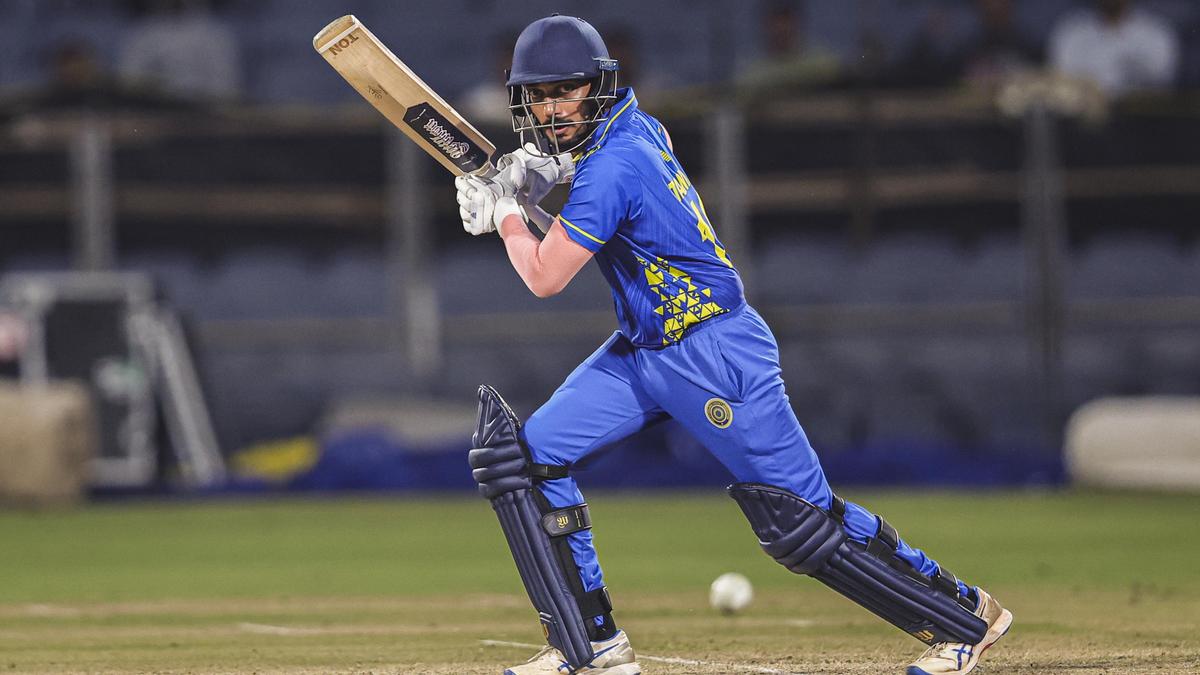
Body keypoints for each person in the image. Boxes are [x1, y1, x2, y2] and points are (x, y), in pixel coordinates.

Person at [456, 15, 1012, 675]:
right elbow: (599, 219)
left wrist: (508, 212)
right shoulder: (635, 128)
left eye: (565, 92)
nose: (551, 109)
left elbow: (545, 275)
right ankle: (590, 644)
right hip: (645, 347)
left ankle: (963, 618)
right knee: (525, 460)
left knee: (799, 523)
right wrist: (534, 188)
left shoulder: (613, 165)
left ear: (597, 87)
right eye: (540, 95)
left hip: (713, 352)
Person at [1048, 0, 1179, 98]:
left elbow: (1162, 84)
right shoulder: (1071, 31)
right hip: (1081, 118)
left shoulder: (1156, 33)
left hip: (1141, 119)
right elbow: (1059, 82)